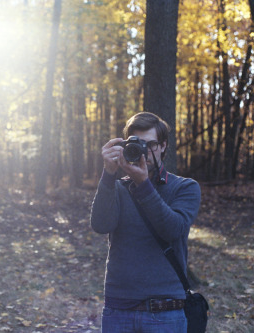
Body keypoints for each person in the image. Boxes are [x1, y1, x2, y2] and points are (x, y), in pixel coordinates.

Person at [90, 112, 201, 333]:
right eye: (138, 144)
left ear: (163, 146)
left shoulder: (185, 187)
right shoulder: (118, 187)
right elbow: (101, 225)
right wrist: (108, 174)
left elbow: (173, 230)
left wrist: (143, 185)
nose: (145, 152)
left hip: (166, 310)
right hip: (118, 309)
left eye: (150, 144)